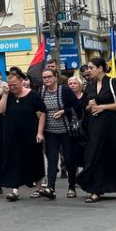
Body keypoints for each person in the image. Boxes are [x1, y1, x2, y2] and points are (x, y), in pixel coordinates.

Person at [75, 58, 116, 202]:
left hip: (114, 126)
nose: (88, 70)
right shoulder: (90, 85)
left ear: (100, 68)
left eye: (91, 67)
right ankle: (96, 190)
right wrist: (90, 105)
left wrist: (103, 106)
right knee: (95, 156)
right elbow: (84, 106)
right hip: (96, 126)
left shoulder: (113, 82)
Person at [0, 67, 46, 200]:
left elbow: (42, 113)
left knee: (35, 159)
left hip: (30, 134)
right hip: (12, 134)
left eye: (14, 85)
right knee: (14, 161)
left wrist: (40, 132)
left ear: (21, 81)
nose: (12, 87)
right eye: (10, 85)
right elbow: (0, 110)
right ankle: (15, 190)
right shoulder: (8, 96)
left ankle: (38, 187)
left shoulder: (33, 95)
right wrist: (6, 94)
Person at [41, 68, 83, 198]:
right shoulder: (41, 92)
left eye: (49, 77)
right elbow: (38, 107)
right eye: (44, 77)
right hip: (50, 131)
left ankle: (71, 187)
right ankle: (50, 188)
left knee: (69, 159)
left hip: (66, 131)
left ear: (55, 78)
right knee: (52, 159)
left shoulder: (64, 90)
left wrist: (64, 111)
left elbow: (77, 105)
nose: (46, 79)